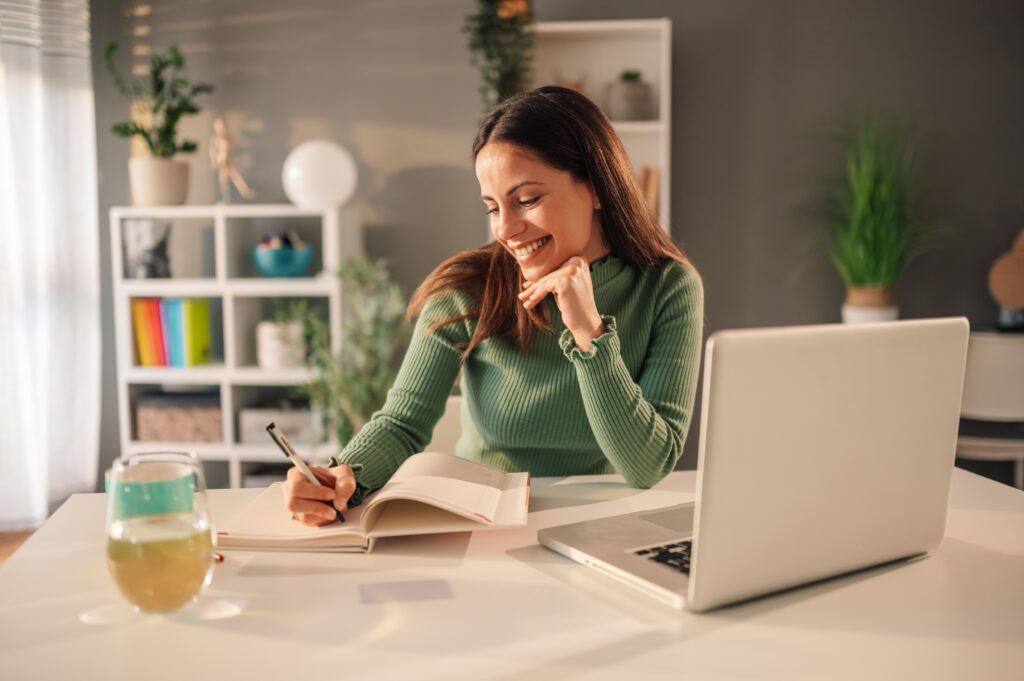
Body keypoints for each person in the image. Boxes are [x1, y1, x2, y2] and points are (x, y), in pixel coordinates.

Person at [283, 86, 704, 526]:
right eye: (493, 208)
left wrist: (589, 334)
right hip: (479, 521)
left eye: (527, 200)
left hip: (597, 523)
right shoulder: (467, 288)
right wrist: (338, 478)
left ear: (597, 187)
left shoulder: (668, 286)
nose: (506, 229)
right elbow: (403, 423)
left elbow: (647, 467)